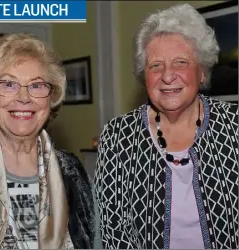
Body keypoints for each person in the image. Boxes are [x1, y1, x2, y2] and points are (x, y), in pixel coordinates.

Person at [94, 3, 238, 249]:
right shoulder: (118, 136)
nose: (168, 76)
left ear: (202, 72)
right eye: (156, 65)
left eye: (181, 62)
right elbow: (114, 232)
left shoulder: (234, 125)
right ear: (144, 76)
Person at [0, 33, 95, 249]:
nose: (24, 98)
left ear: (50, 98)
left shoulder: (74, 173)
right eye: (8, 84)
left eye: (36, 86)